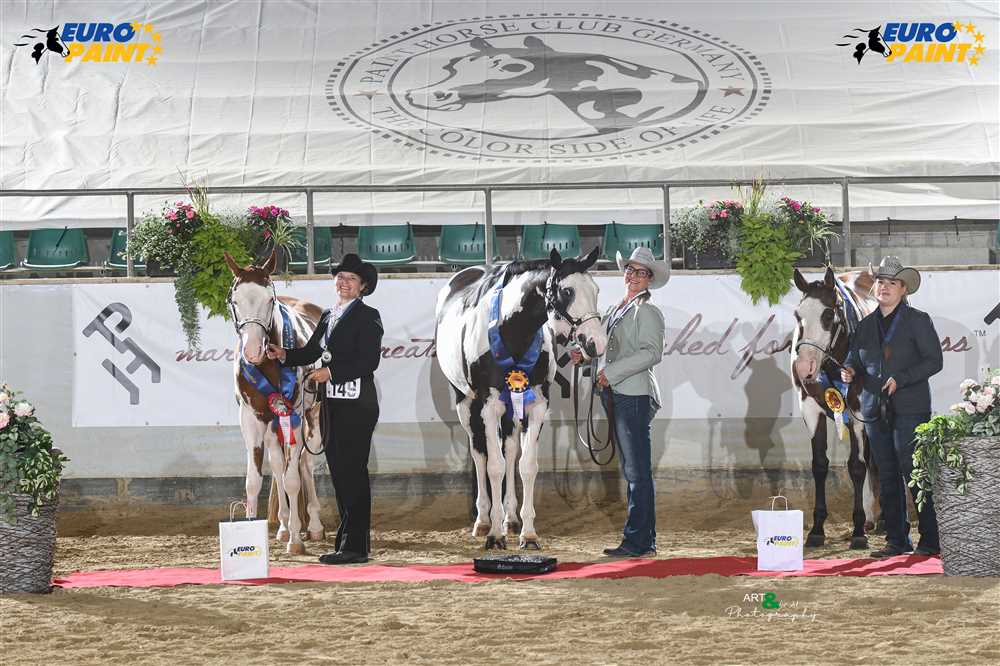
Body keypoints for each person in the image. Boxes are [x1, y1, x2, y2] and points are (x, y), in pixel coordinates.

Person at [267, 253, 383, 565]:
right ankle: (348, 543)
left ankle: (356, 546)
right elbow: (311, 351)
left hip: (358, 405)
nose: (344, 282)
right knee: (340, 475)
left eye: (351, 279)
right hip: (332, 405)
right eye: (340, 277)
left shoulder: (368, 316)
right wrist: (284, 355)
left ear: (362, 287)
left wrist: (330, 373)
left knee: (353, 473)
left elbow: (369, 361)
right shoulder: (329, 315)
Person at [841, 256, 943, 558]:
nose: (884, 287)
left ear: (903, 289)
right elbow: (854, 358)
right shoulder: (864, 325)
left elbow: (934, 361)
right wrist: (850, 370)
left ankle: (930, 539)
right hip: (874, 408)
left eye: (892, 283)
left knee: (913, 470)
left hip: (911, 406)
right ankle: (897, 541)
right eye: (880, 281)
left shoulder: (918, 320)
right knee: (886, 473)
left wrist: (902, 379)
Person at [572, 246, 667, 558]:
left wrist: (610, 374)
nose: (633, 276)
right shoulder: (617, 308)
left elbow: (651, 353)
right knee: (632, 469)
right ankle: (643, 540)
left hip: (634, 395)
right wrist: (585, 356)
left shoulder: (647, 311)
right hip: (617, 393)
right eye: (630, 270)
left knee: (637, 471)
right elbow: (605, 347)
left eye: (641, 272)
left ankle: (638, 541)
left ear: (649, 279)